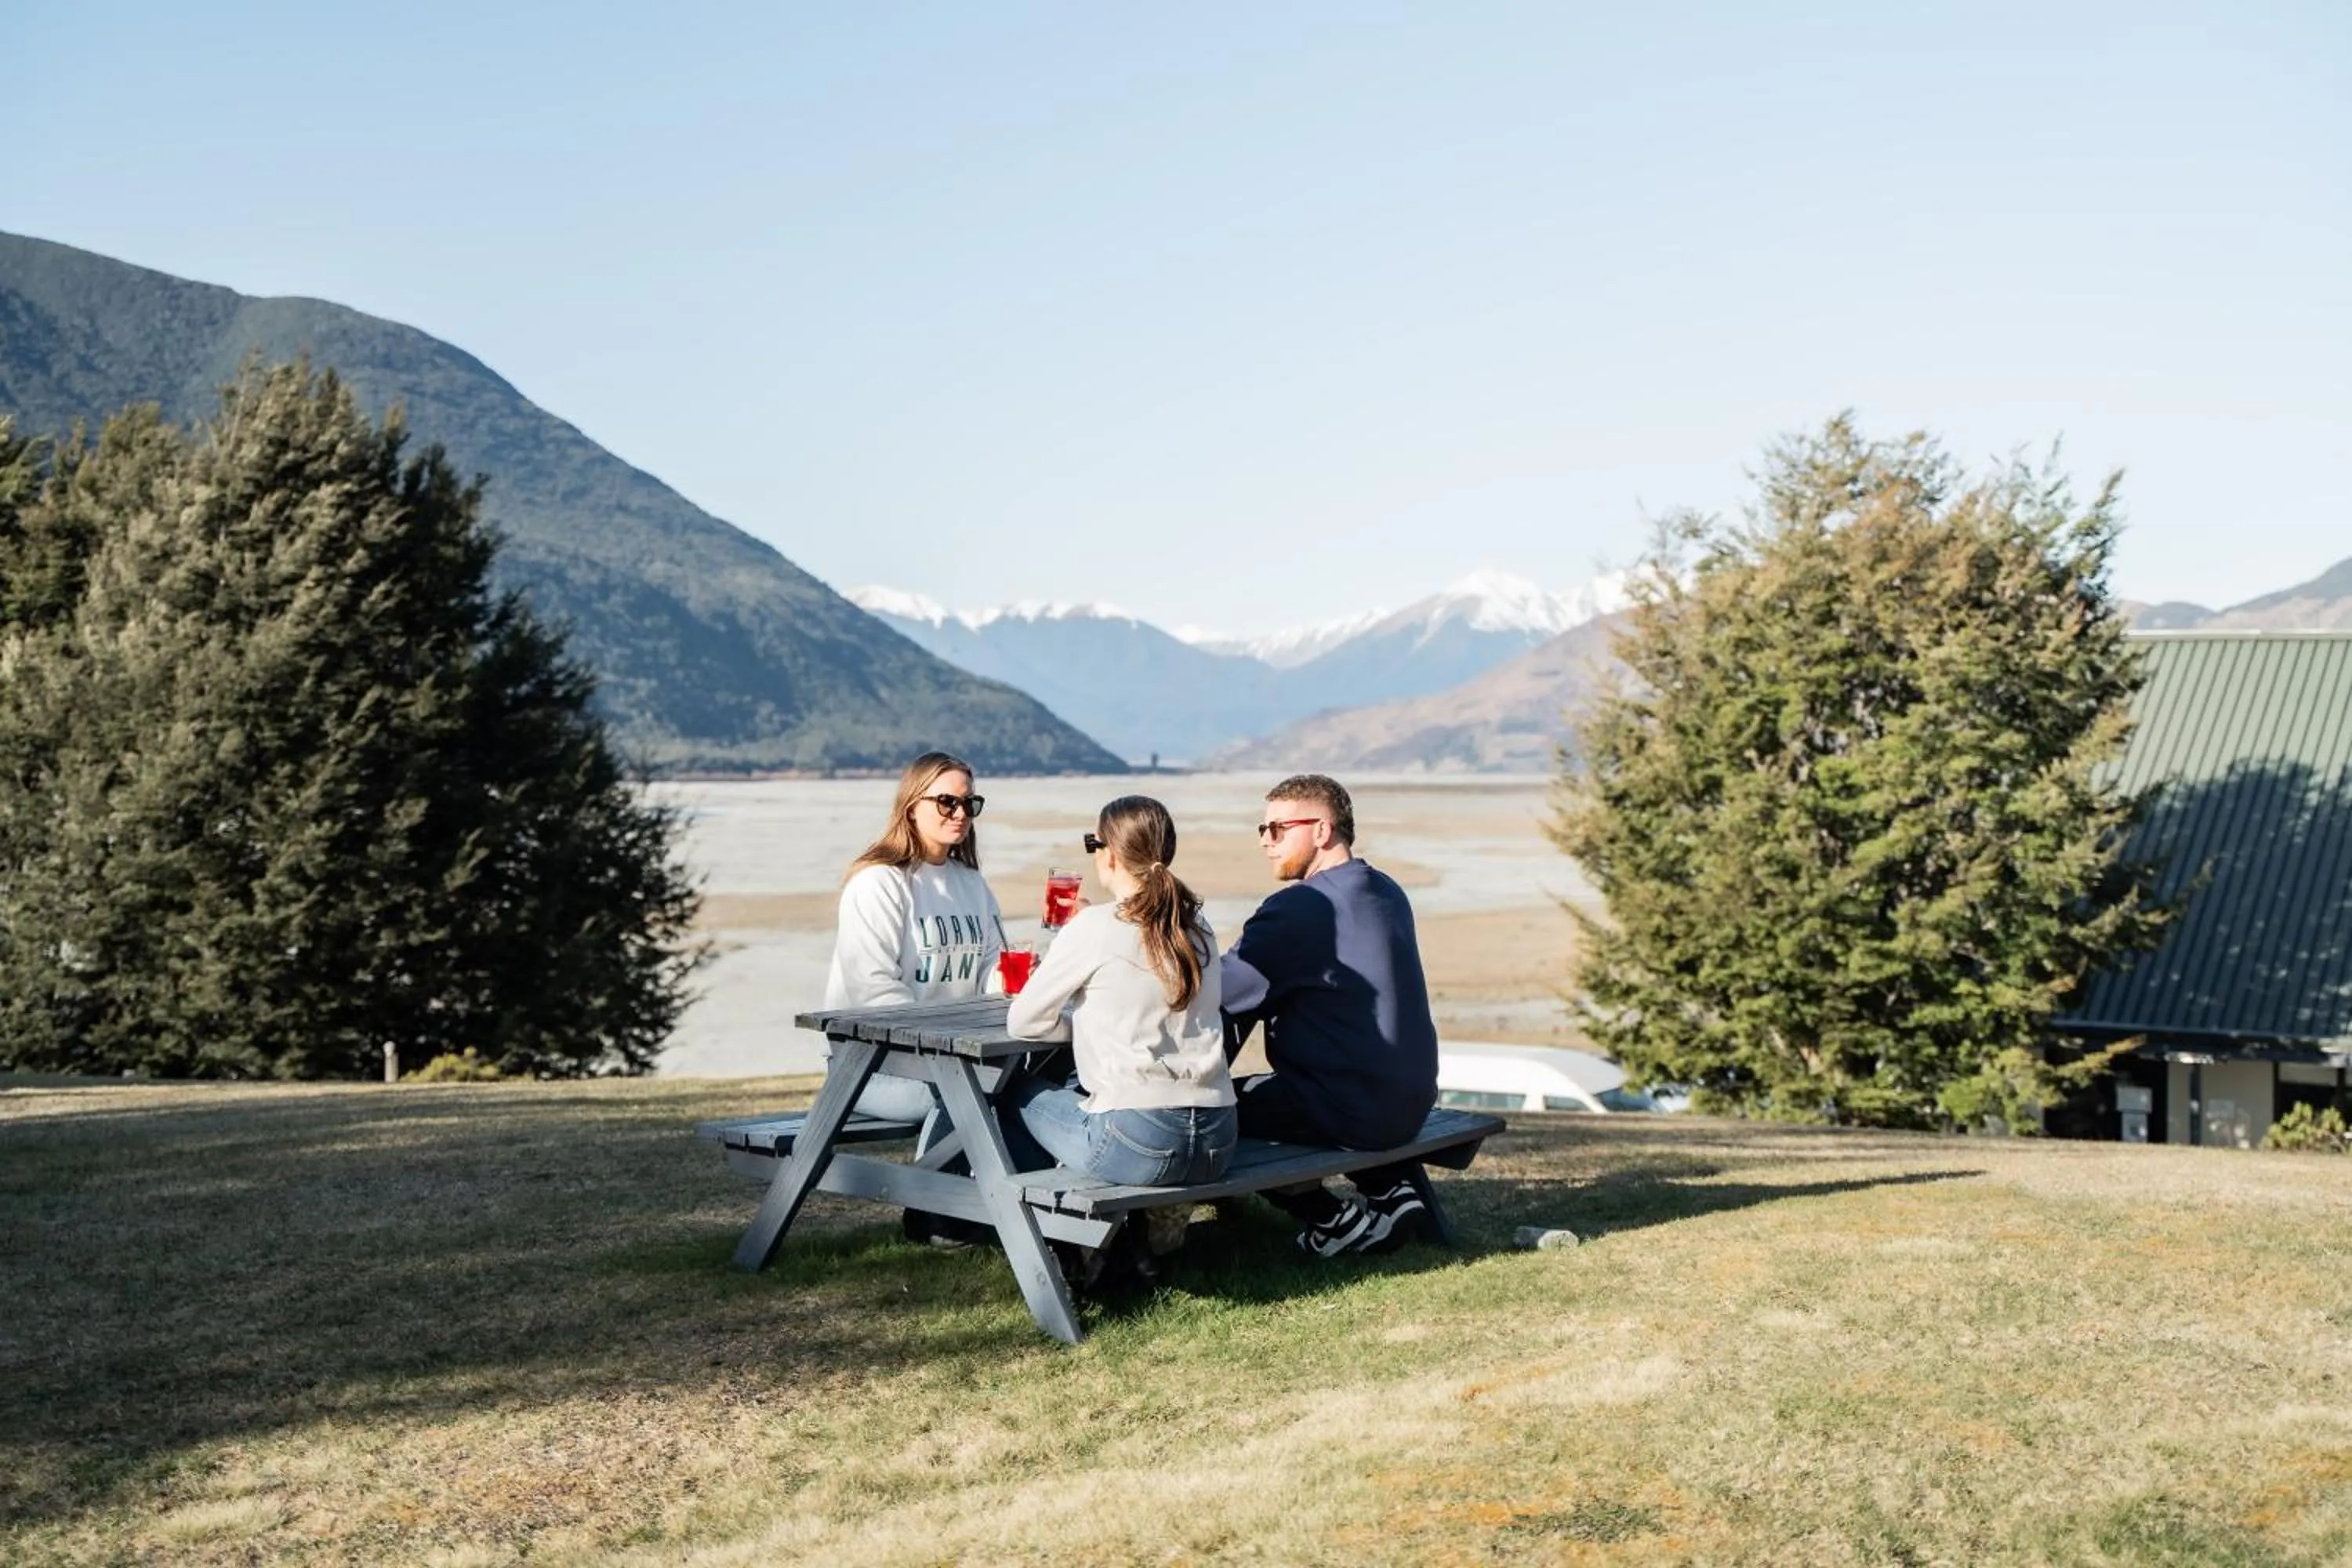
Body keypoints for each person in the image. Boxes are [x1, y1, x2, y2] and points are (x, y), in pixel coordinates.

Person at [1220, 773, 1440, 1257]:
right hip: (1412, 1098)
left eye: (1277, 829)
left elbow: (1223, 991)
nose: (1265, 842)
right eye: (1262, 830)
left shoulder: (1299, 908)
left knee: (1213, 1116)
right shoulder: (1386, 890)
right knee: (1291, 1092)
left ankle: (1331, 1219)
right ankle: (1389, 1191)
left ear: (1322, 830)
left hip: (1351, 1108)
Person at [1003, 795, 1238, 1188]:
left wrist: (1078, 1025)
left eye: (1093, 845)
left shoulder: (1094, 926)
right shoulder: (1200, 928)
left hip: (1137, 1143)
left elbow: (1023, 1021)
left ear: (1110, 855)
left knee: (1010, 1092)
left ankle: (1031, 1225)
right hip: (1218, 1141)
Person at [822, 750, 1006, 1125]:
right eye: (946, 802)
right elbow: (874, 992)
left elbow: (990, 972)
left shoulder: (972, 884)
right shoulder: (878, 884)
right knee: (984, 1095)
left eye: (969, 803)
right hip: (872, 1069)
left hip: (956, 1060)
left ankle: (996, 1184)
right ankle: (950, 1182)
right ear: (911, 807)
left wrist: (1023, 978)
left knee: (1031, 1084)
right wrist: (952, 1044)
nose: (960, 813)